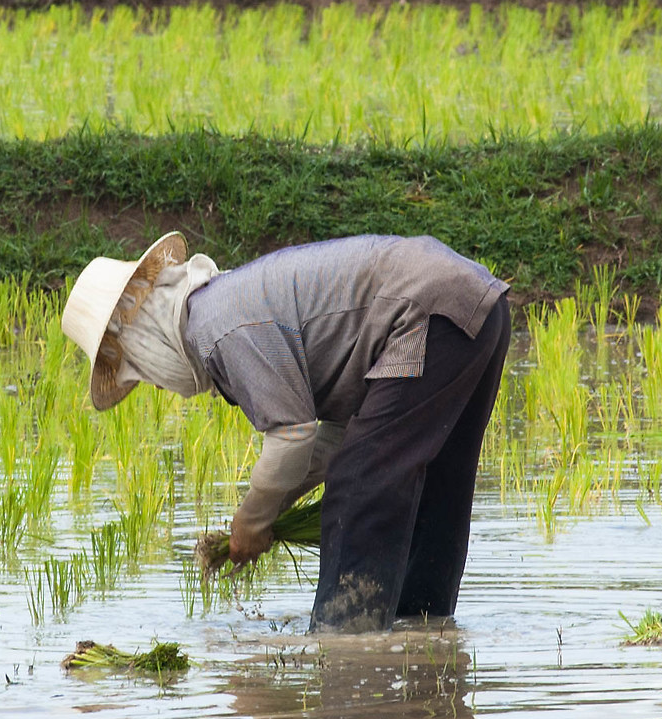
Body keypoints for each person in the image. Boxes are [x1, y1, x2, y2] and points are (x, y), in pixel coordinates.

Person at [59, 233, 510, 632]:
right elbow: (334, 438)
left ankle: (347, 650)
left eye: (142, 373)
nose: (159, 386)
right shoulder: (230, 306)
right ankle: (426, 638)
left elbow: (292, 436)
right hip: (475, 307)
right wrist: (270, 508)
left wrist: (251, 521)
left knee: (358, 486)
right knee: (433, 486)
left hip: (426, 315)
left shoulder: (219, 327)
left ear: (142, 339)